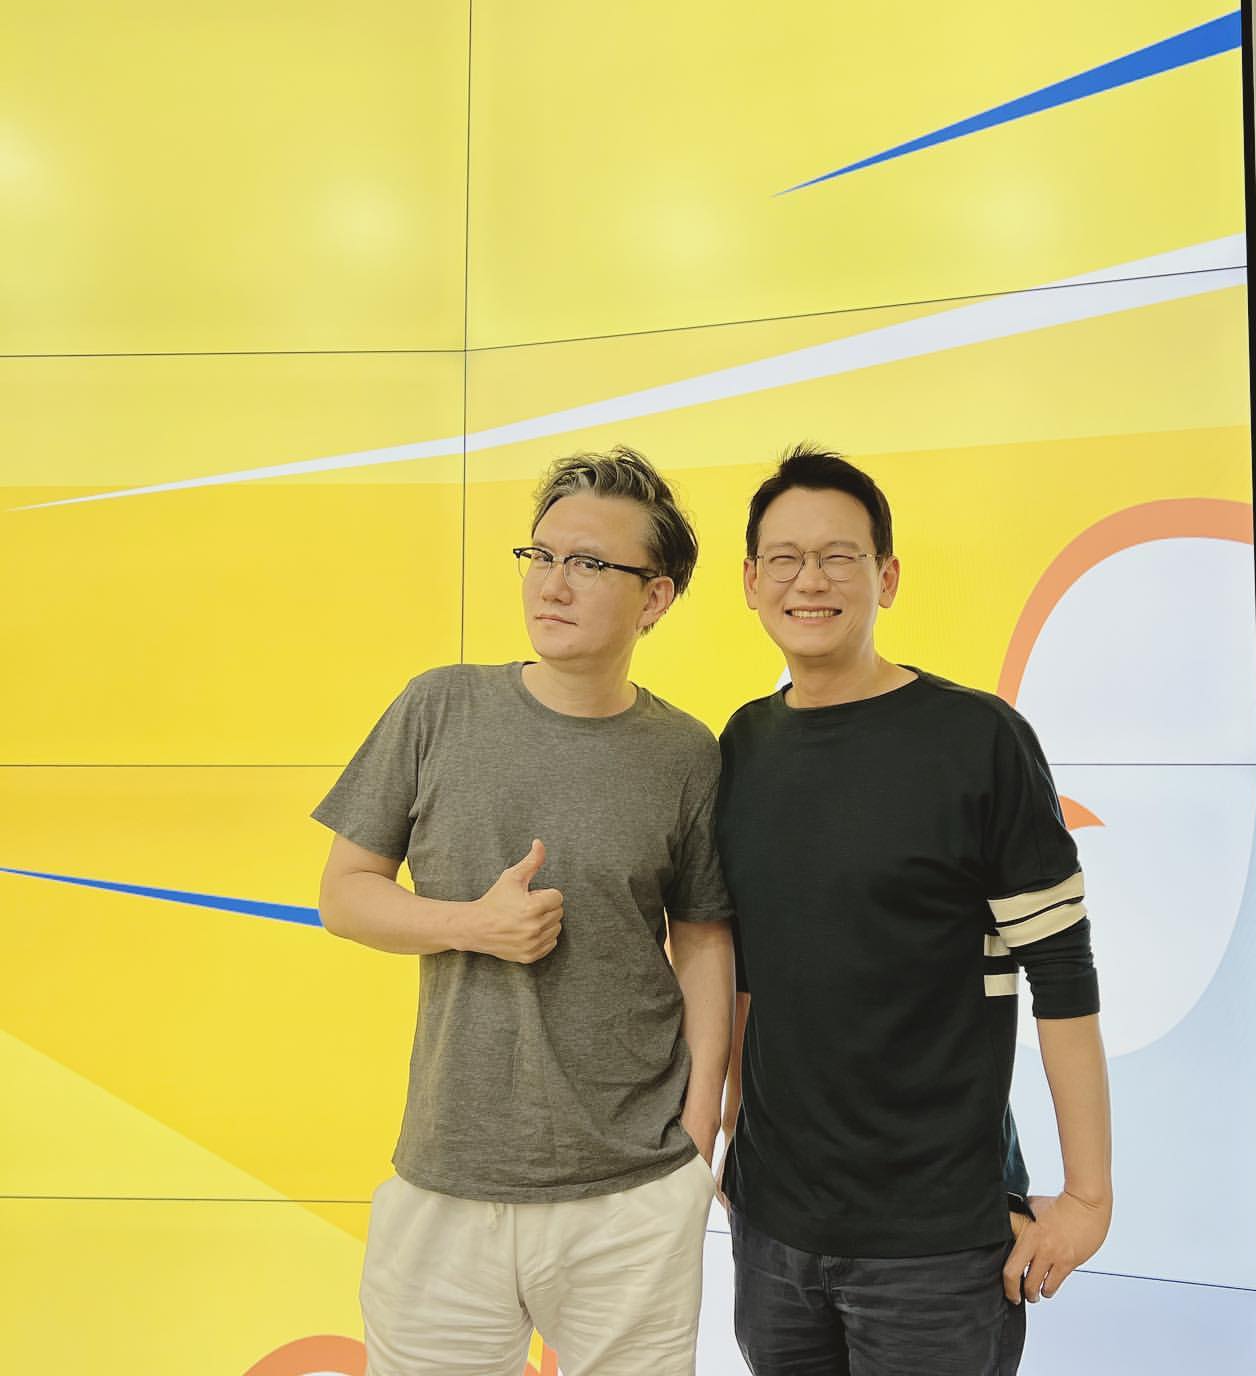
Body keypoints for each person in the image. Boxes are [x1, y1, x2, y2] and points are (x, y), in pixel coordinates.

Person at [312, 447, 734, 1376]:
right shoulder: (439, 706)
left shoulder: (685, 752)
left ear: (656, 598)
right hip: (447, 1177)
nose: (553, 582)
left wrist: (700, 1130)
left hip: (633, 1186)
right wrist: (471, 924)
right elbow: (343, 895)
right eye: (540, 555)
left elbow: (703, 938)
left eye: (588, 563)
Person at [716, 445, 1112, 1376]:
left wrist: (1088, 1198)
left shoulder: (976, 740)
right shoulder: (744, 744)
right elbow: (745, 970)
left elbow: (1061, 973)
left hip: (939, 1243)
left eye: (839, 557)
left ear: (886, 577)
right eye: (785, 558)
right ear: (751, 581)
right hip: (774, 1233)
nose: (810, 581)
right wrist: (735, 1143)